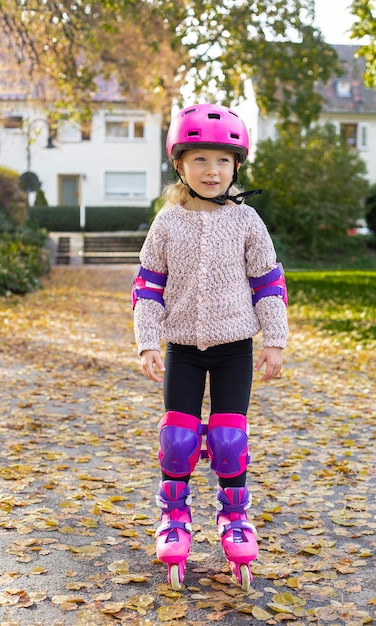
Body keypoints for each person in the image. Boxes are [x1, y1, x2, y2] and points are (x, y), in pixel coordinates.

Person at [132, 103, 288, 591]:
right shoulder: (168, 222)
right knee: (177, 439)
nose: (212, 170)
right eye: (200, 160)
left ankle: (235, 517)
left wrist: (275, 341)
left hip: (235, 347)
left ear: (236, 166)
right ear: (180, 164)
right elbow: (147, 287)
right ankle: (174, 515)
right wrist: (147, 343)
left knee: (228, 439)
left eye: (222, 160)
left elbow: (268, 284)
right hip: (181, 345)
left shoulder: (247, 221)